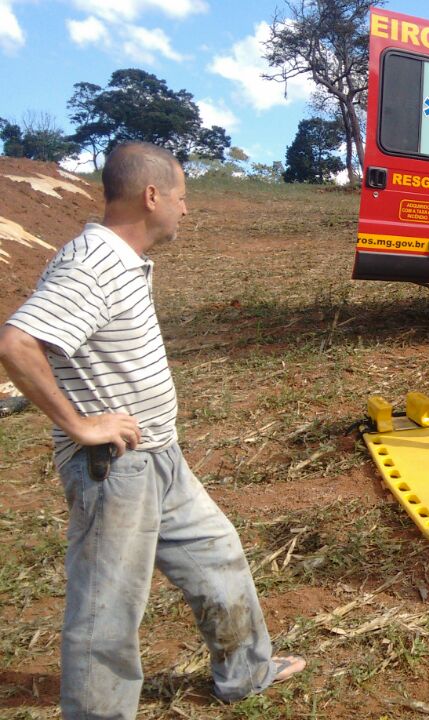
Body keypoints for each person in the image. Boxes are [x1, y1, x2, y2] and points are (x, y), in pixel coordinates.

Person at [0, 142, 304, 719]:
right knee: (108, 608)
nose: (185, 209)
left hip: (160, 456)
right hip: (116, 469)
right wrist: (80, 425)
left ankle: (246, 672)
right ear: (151, 195)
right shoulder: (94, 262)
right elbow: (16, 344)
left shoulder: (119, 260)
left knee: (218, 555)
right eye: (182, 197)